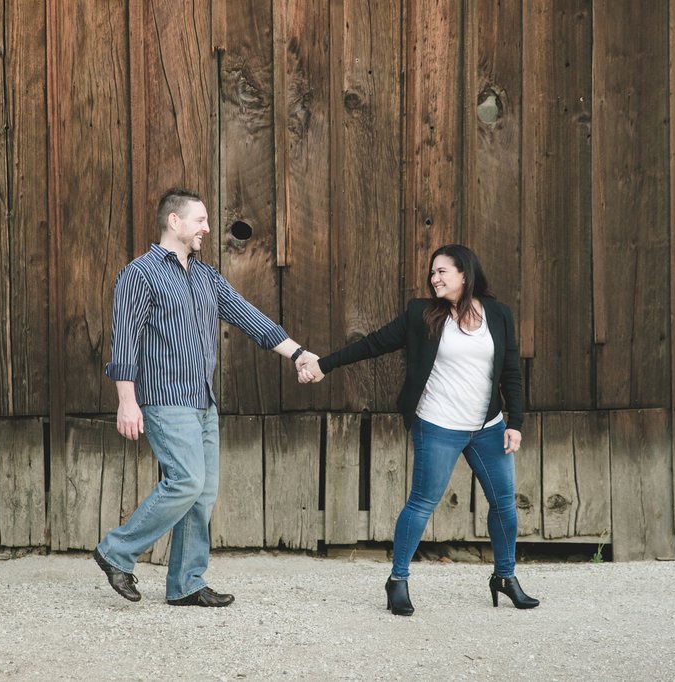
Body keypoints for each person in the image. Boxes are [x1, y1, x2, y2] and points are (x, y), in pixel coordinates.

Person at [93, 187, 316, 607]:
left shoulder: (206, 276)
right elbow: (124, 342)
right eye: (201, 220)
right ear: (174, 221)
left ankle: (186, 584)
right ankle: (116, 551)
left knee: (203, 493)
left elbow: (250, 318)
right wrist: (127, 400)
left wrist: (299, 353)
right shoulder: (139, 274)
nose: (207, 228)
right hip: (164, 398)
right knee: (186, 481)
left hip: (203, 401)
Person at [298, 244, 539, 615]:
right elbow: (373, 344)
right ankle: (398, 580)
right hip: (438, 425)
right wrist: (323, 366)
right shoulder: (422, 314)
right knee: (422, 503)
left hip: (488, 427)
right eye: (432, 272)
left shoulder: (498, 314)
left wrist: (516, 424)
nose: (434, 278)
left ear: (465, 274)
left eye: (442, 271)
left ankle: (504, 577)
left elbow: (510, 372)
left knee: (504, 504)